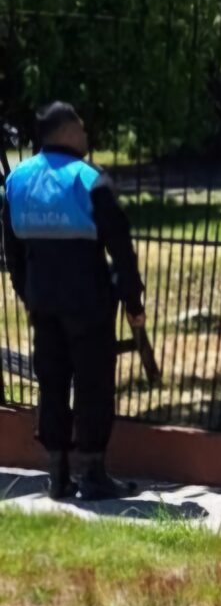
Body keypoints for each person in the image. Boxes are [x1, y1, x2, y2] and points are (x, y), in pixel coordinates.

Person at [0, 102, 146, 500]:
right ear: (65, 132)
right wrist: (133, 301)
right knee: (93, 384)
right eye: (80, 129)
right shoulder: (89, 179)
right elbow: (122, 249)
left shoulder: (17, 182)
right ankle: (93, 474)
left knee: (51, 383)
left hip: (42, 302)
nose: (85, 136)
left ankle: (57, 475)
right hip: (89, 304)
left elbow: (12, 250)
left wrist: (27, 292)